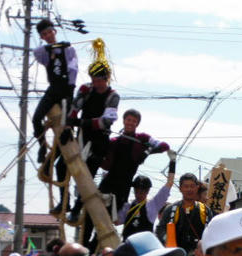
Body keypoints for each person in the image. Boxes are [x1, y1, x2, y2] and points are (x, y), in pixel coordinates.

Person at [55, 42, 119, 217]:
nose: (96, 83)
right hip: (81, 136)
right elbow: (74, 109)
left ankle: (76, 209)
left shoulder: (112, 96)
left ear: (106, 79)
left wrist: (82, 123)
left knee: (87, 176)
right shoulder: (85, 89)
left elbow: (106, 121)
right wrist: (68, 126)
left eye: (99, 80)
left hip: (99, 141)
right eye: (93, 80)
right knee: (61, 165)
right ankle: (64, 201)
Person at [96, 109, 172, 213]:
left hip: (124, 187)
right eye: (129, 120)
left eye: (134, 121)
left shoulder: (142, 138)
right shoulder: (114, 141)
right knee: (95, 211)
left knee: (112, 216)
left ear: (137, 124)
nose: (131, 123)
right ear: (124, 121)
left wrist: (147, 152)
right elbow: (107, 165)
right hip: (108, 183)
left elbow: (164, 146)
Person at [32, 19, 77, 163]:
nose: (48, 35)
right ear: (42, 37)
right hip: (53, 88)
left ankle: (62, 156)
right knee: (36, 118)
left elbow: (73, 69)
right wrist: (52, 47)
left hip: (66, 89)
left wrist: (70, 92)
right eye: (44, 34)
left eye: (50, 32)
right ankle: (42, 146)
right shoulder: (44, 52)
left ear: (54, 31)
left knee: (67, 124)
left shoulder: (68, 49)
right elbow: (36, 52)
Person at [156, 173, 213, 255]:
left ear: (197, 188)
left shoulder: (205, 210)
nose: (189, 189)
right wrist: (167, 239)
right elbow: (160, 229)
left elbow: (211, 231)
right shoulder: (171, 209)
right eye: (186, 186)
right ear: (180, 188)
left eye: (192, 186)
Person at [118, 172, 174, 241]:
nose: (138, 195)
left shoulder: (154, 204)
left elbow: (170, 183)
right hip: (128, 246)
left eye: (141, 192)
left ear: (147, 191)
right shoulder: (128, 206)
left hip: (145, 247)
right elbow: (116, 221)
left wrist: (172, 162)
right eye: (136, 191)